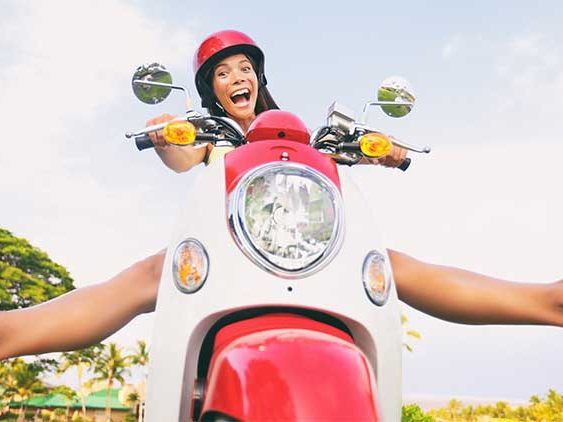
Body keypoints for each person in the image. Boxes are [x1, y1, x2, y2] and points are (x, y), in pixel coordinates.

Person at [0, 30, 561, 361]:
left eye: (245, 68)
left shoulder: (304, 139)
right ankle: (9, 333)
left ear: (259, 78)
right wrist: (166, 134)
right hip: (228, 249)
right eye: (223, 73)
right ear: (211, 91)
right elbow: (179, 158)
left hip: (310, 248)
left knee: (390, 264)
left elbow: (354, 154)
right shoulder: (211, 136)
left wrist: (384, 151)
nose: (237, 77)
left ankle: (547, 302)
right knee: (151, 273)